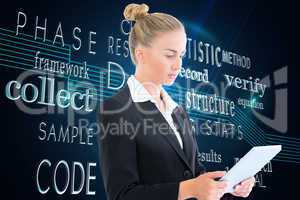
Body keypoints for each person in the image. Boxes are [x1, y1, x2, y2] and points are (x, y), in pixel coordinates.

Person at [97, 3, 255, 200]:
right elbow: (122, 195)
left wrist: (230, 187)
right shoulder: (116, 109)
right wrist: (188, 189)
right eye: (170, 54)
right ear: (141, 54)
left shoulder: (177, 110)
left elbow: (196, 176)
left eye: (181, 55)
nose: (178, 65)